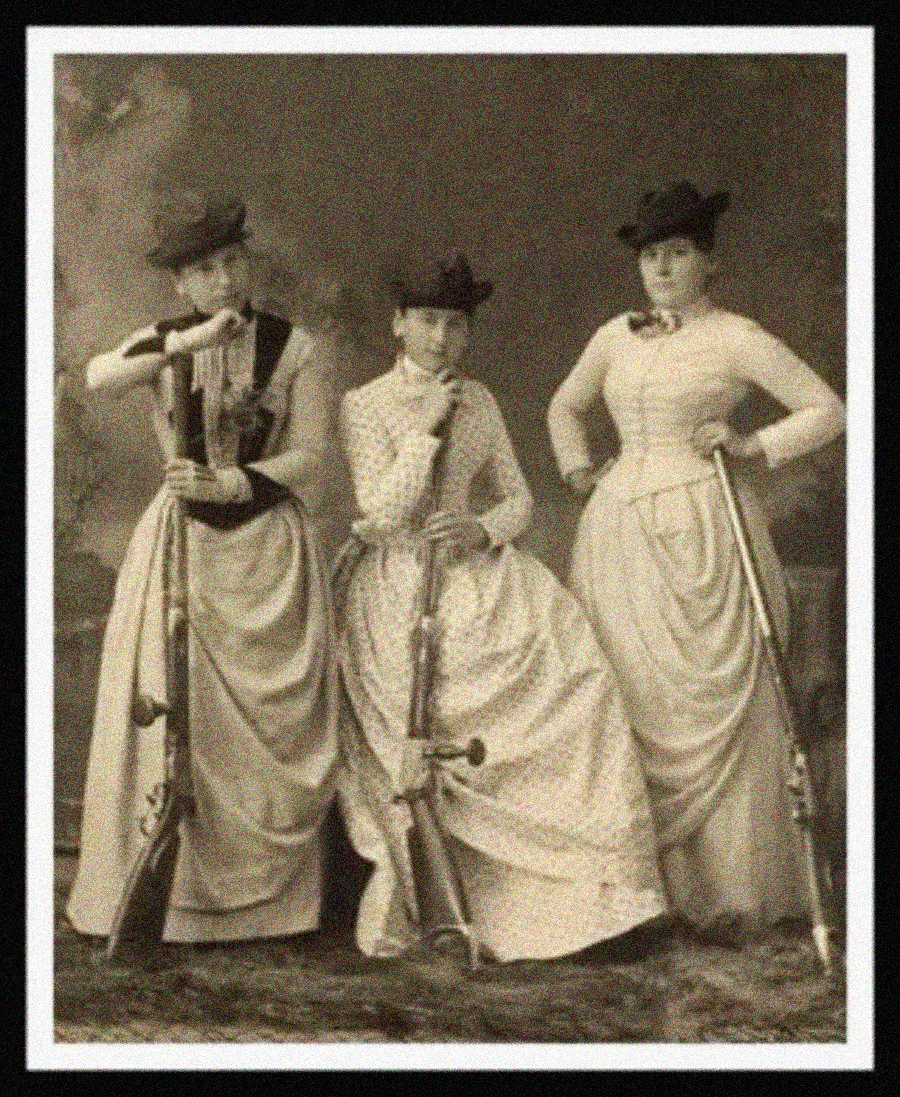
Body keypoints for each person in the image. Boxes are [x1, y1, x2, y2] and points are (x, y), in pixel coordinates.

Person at [333, 250, 667, 963]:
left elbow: (517, 496)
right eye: (426, 321)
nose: (441, 339)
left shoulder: (481, 401)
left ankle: (583, 898)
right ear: (398, 324)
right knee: (429, 720)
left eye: (455, 324)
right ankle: (442, 897)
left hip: (474, 570)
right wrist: (423, 427)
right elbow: (381, 510)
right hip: (397, 581)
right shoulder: (363, 405)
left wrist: (481, 529)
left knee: (574, 677)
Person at [546, 181, 846, 944]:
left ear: (709, 260)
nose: (662, 269)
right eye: (651, 255)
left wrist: (753, 445)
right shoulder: (616, 334)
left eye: (678, 253)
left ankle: (724, 888)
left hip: (706, 526)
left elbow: (829, 408)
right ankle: (639, 892)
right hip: (617, 532)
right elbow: (564, 406)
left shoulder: (738, 337)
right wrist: (580, 470)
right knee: (628, 689)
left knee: (710, 691)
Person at [66, 194, 339, 943]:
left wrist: (234, 482)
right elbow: (96, 377)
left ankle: (274, 909)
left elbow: (312, 454)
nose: (222, 281)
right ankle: (170, 897)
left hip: (267, 549)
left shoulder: (293, 346)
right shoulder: (162, 339)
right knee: (171, 707)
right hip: (180, 545)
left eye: (230, 264)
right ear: (181, 285)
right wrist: (184, 349)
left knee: (273, 720)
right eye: (204, 271)